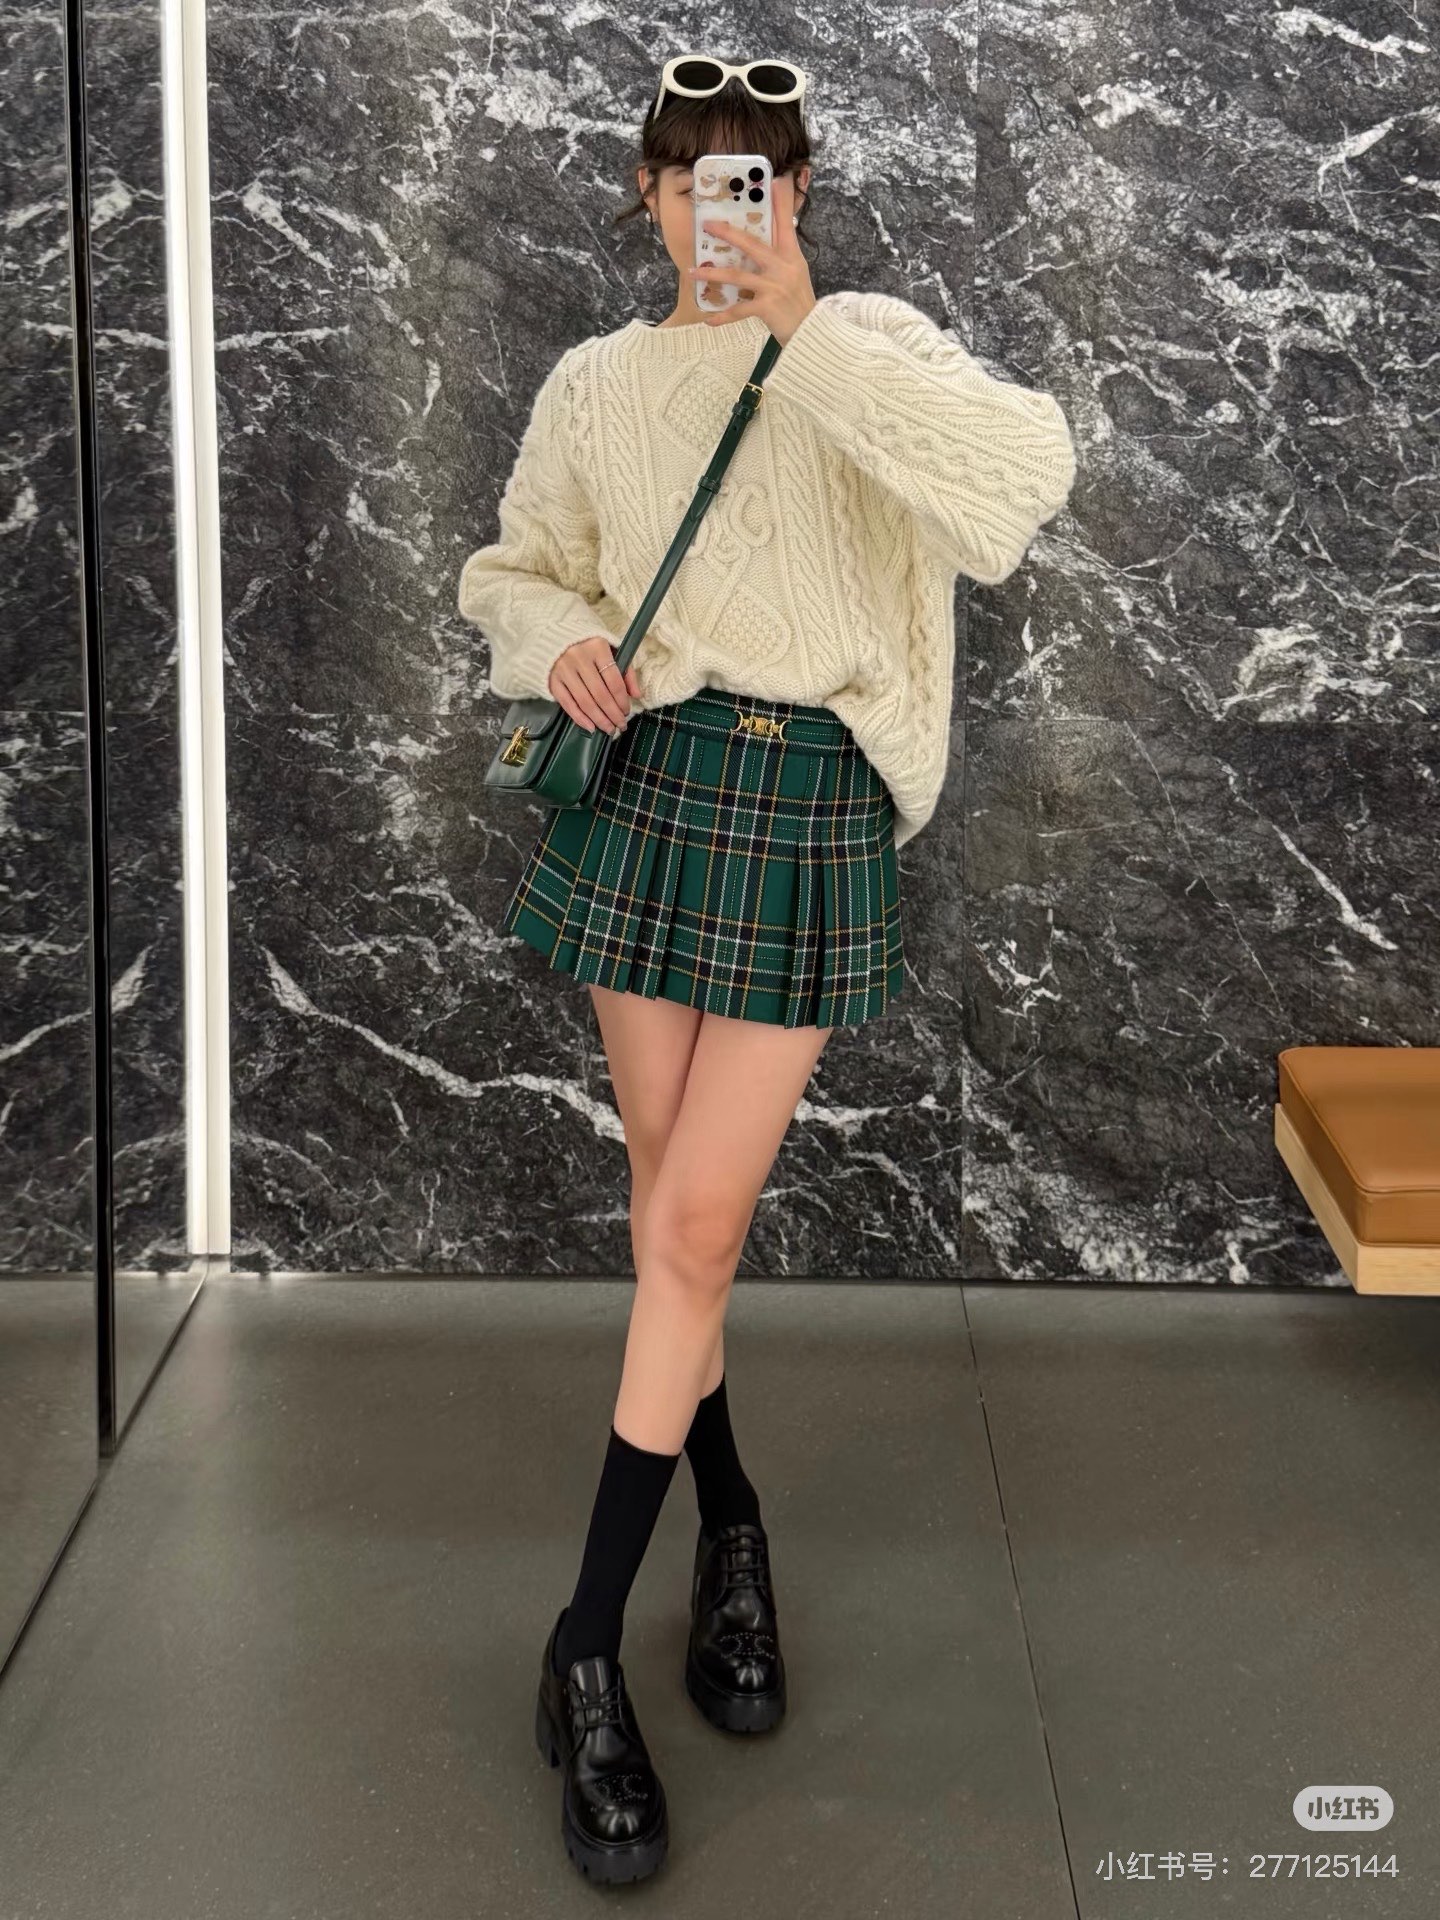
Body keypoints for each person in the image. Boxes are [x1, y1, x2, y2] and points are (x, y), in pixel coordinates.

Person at [457, 56, 1077, 1886]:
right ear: (649, 200)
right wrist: (561, 642)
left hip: (806, 799)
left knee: (699, 1224)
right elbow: (514, 570)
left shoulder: (864, 342)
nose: (722, 213)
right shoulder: (594, 382)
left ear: (796, 200)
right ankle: (729, 1523)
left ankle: (582, 1641)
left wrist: (805, 326)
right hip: (647, 785)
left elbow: (1021, 481)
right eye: (693, 184)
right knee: (674, 1213)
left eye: (759, 184)